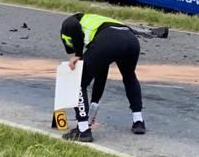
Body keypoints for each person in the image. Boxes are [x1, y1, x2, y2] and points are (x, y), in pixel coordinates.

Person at [59, 13, 145, 143]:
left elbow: (70, 25)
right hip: (131, 39)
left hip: (109, 40)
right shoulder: (96, 22)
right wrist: (93, 109)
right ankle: (138, 121)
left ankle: (83, 130)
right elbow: (101, 74)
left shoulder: (71, 21)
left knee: (78, 82)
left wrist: (78, 54)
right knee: (129, 77)